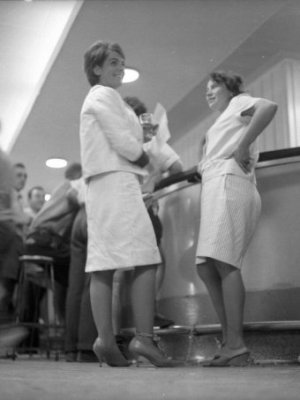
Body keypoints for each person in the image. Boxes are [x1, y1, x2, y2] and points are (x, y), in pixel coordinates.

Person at [80, 40, 181, 367]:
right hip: (117, 181)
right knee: (147, 257)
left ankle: (106, 341)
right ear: (96, 68)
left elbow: (124, 136)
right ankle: (143, 339)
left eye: (122, 62)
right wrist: (145, 158)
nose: (120, 68)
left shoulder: (108, 99)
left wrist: (142, 136)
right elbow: (122, 141)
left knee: (104, 262)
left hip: (106, 182)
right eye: (113, 62)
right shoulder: (103, 95)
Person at [195, 71, 277, 366]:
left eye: (214, 86)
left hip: (231, 183)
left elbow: (268, 107)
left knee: (225, 261)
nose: (208, 92)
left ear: (231, 89)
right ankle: (230, 341)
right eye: (206, 88)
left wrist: (242, 146)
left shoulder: (240, 101)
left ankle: (237, 345)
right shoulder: (223, 118)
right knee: (206, 267)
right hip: (217, 185)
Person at [124, 95, 183, 328]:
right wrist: (157, 177)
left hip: (123, 205)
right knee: (154, 261)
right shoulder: (152, 142)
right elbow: (178, 168)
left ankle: (124, 324)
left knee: (121, 269)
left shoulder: (119, 141)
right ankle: (148, 314)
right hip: (146, 205)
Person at [0, 151, 28, 357]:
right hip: (8, 231)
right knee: (4, 287)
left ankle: (5, 328)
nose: (22, 179)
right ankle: (5, 329)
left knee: (6, 287)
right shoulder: (4, 159)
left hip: (7, 233)